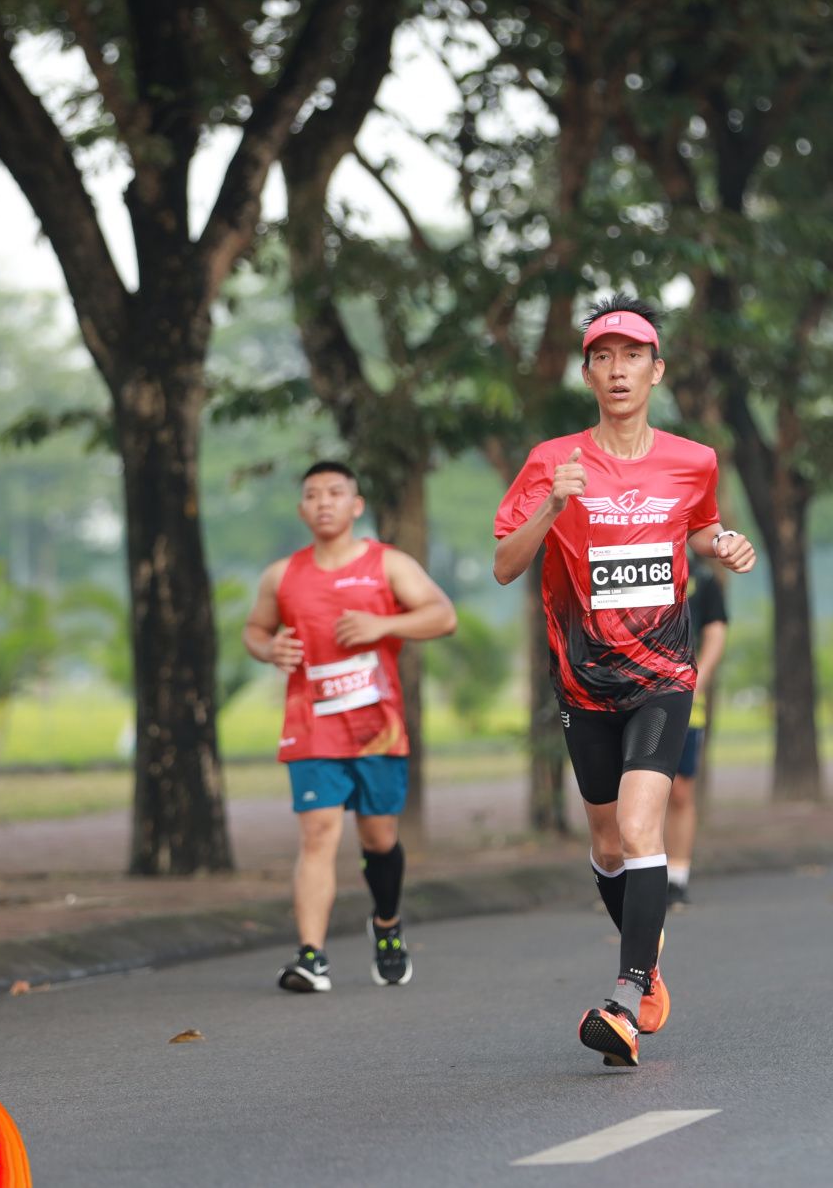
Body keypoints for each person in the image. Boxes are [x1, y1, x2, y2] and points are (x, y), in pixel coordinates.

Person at [492, 295, 757, 1067]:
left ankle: (625, 997)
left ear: (655, 370)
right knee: (608, 842)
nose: (617, 370)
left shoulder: (693, 459)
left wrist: (724, 543)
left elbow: (698, 525)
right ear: (587, 373)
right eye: (603, 357)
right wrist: (553, 502)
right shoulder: (552, 459)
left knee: (644, 828)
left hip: (663, 673)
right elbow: (506, 564)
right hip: (583, 680)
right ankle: (649, 966)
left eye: (632, 356)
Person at [244, 461, 458, 993]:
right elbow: (255, 630)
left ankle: (387, 923)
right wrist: (270, 649)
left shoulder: (388, 564)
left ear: (355, 505)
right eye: (313, 494)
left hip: (376, 727)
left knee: (379, 837)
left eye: (335, 493)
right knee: (317, 833)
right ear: (302, 509)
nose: (324, 502)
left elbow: (442, 615)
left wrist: (383, 624)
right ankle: (311, 957)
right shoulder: (281, 575)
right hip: (311, 725)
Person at [666, 539, 730, 905]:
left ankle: (676, 877)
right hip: (631, 697)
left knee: (680, 790)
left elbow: (716, 632)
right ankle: (632, 876)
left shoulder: (702, 578)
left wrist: (694, 683)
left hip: (685, 701)